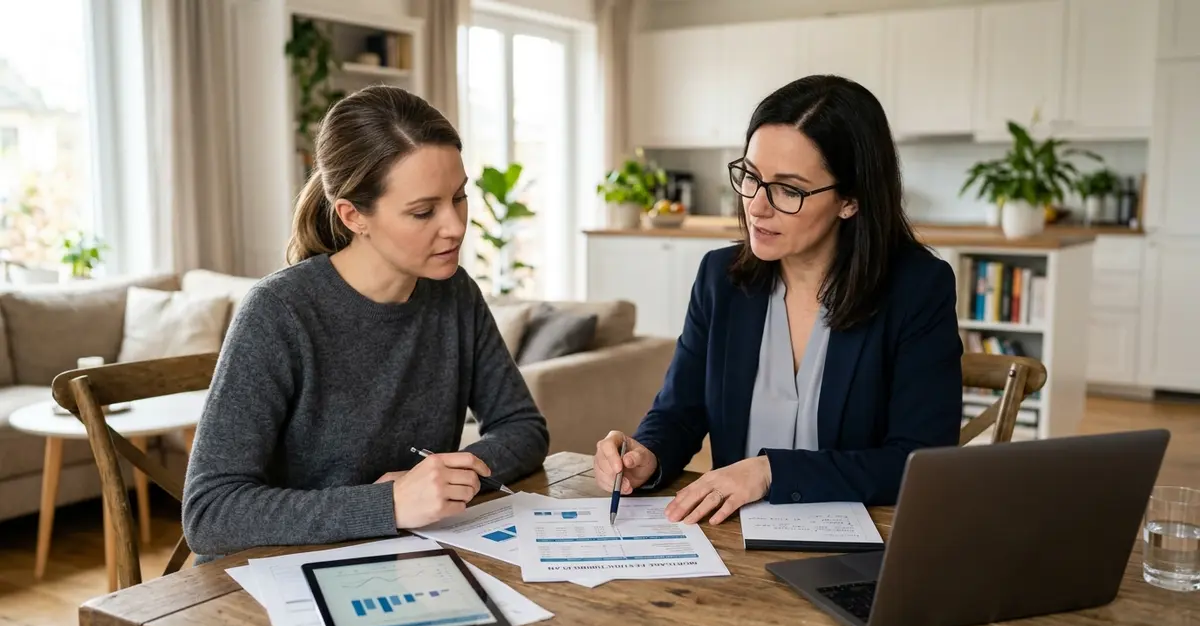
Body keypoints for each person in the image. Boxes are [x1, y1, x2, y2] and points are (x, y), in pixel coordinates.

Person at [182, 85, 549, 563]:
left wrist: (448, 478)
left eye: (459, 197)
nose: (456, 226)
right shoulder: (279, 312)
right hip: (270, 576)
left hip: (401, 560)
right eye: (423, 211)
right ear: (353, 215)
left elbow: (522, 428)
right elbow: (210, 513)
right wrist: (388, 504)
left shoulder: (455, 294)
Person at [593, 75, 963, 525]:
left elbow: (917, 460)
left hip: (862, 544)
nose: (756, 206)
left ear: (851, 200)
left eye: (788, 189)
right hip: (730, 540)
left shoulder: (917, 288)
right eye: (751, 177)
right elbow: (679, 413)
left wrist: (771, 472)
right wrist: (646, 455)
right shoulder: (720, 278)